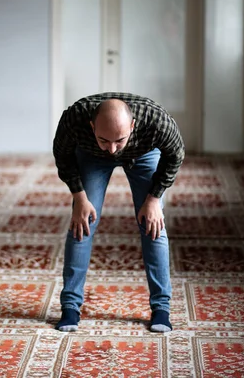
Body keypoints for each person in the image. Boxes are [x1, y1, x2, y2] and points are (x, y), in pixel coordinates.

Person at [52, 92, 185, 333]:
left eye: (119, 141)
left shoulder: (156, 121)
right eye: (104, 139)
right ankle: (70, 307)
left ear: (133, 126)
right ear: (92, 126)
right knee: (82, 224)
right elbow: (62, 157)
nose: (112, 150)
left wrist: (154, 198)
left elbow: (176, 155)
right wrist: (79, 196)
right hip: (91, 156)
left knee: (153, 225)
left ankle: (161, 308)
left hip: (143, 153)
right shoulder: (75, 119)